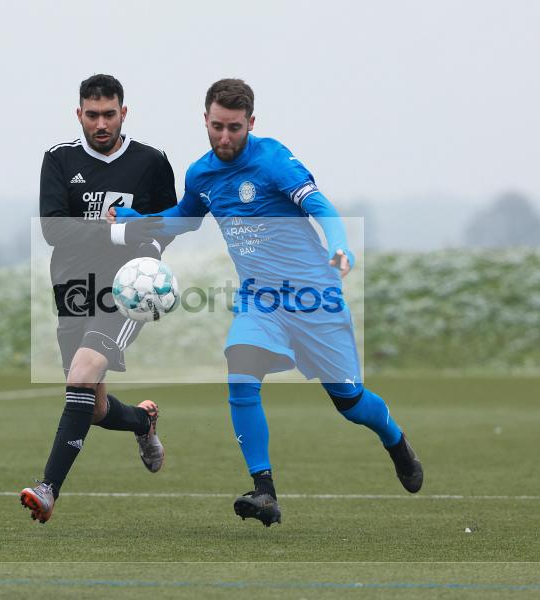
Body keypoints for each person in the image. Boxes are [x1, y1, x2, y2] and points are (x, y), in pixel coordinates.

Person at [111, 79, 423, 526]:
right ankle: (265, 492)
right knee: (240, 371)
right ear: (205, 120)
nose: (224, 137)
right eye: (217, 126)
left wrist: (342, 248)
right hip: (260, 299)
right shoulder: (202, 173)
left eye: (234, 128)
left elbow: (324, 209)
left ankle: (394, 439)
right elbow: (184, 219)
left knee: (350, 403)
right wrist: (137, 220)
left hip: (315, 297)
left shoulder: (275, 160)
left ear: (251, 123)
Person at [20, 74, 177, 524]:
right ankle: (142, 422)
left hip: (124, 292)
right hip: (72, 288)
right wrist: (117, 230)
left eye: (110, 114)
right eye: (93, 115)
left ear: (124, 113)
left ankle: (48, 488)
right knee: (93, 405)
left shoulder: (151, 161)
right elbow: (53, 228)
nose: (101, 123)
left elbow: (166, 224)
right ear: (79, 115)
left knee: (84, 373)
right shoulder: (59, 159)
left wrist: (150, 256)